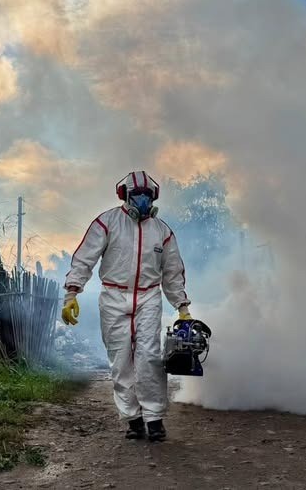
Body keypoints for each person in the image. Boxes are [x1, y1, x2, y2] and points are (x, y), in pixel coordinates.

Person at [61, 171, 192, 442]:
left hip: (148, 297)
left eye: (147, 196)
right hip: (113, 296)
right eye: (137, 195)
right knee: (120, 361)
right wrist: (72, 293)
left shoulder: (162, 232)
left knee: (149, 358)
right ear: (126, 197)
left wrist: (182, 306)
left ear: (153, 198)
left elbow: (172, 272)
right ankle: (132, 419)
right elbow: (85, 258)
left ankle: (154, 419)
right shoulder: (106, 223)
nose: (142, 201)